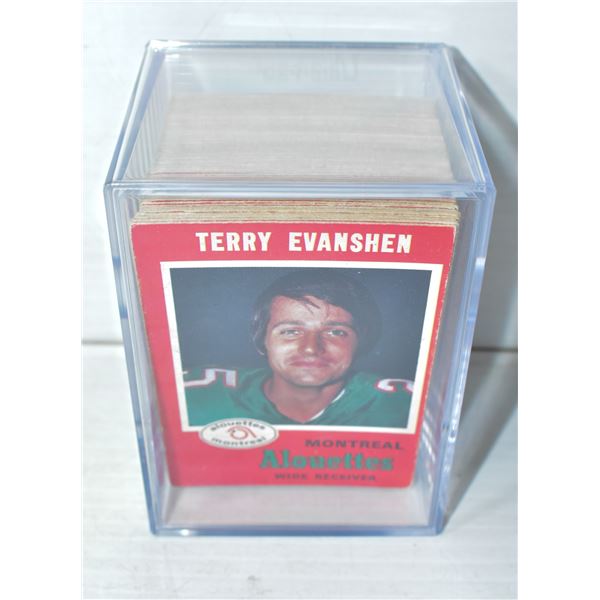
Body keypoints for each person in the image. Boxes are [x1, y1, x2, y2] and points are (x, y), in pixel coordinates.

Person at [183, 269, 413, 427]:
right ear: (262, 339)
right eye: (291, 331)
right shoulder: (195, 395)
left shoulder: (403, 406)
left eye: (335, 332)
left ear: (361, 340)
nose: (311, 348)